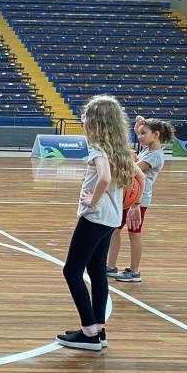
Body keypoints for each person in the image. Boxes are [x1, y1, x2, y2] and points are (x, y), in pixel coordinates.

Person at [57, 96, 146, 351]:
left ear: (96, 122)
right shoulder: (120, 148)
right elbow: (140, 175)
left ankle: (88, 331)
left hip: (95, 217)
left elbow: (104, 178)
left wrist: (91, 201)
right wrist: (135, 205)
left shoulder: (98, 148)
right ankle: (99, 331)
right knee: (97, 272)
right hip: (111, 218)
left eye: (86, 118)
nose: (84, 121)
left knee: (71, 270)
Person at [106, 116, 175, 283]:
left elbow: (133, 170)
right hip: (129, 198)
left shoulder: (155, 156)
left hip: (139, 200)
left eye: (143, 134)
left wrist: (127, 155)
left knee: (134, 233)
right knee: (115, 228)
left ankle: (134, 271)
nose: (139, 136)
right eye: (139, 133)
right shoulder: (148, 149)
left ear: (156, 135)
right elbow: (141, 132)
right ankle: (110, 266)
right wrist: (139, 125)